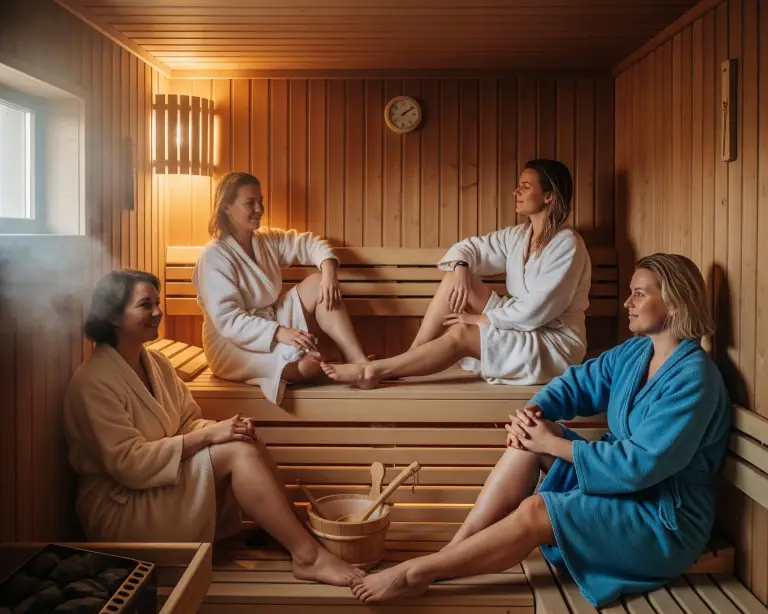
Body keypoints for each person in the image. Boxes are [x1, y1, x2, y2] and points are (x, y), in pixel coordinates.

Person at [348, 253, 731, 606]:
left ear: (675, 303)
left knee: (537, 510)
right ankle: (449, 555)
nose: (627, 302)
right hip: (624, 492)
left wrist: (553, 442)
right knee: (531, 437)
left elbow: (640, 466)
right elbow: (579, 383)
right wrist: (534, 412)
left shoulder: (693, 379)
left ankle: (419, 572)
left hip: (662, 519)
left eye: (639, 294)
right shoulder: (636, 352)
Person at [63, 270, 365, 587]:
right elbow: (129, 465)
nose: (157, 312)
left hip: (157, 485)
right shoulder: (93, 383)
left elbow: (187, 421)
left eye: (157, 302)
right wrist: (211, 434)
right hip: (123, 509)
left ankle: (297, 536)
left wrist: (224, 428)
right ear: (113, 316)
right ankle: (308, 557)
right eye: (145, 305)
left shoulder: (157, 364)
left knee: (243, 438)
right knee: (235, 450)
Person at [321, 159, 591, 389]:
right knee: (453, 278)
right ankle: (411, 357)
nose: (516, 191)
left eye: (525, 186)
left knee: (463, 331)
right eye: (519, 185)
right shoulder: (519, 236)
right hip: (520, 325)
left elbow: (538, 310)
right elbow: (468, 248)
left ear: (549, 196)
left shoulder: (566, 244)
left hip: (551, 344)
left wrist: (478, 319)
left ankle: (373, 371)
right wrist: (462, 269)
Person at [192, 171, 369, 405]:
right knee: (308, 365)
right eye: (250, 203)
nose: (259, 209)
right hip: (231, 343)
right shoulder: (214, 256)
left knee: (318, 282)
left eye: (260, 201)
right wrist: (277, 333)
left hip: (272, 319)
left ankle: (361, 365)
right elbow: (229, 320)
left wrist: (328, 271)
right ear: (226, 207)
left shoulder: (264, 240)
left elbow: (307, 244)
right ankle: (333, 363)